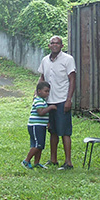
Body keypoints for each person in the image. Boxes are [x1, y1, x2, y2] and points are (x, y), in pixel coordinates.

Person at [38, 35, 76, 170]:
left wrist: (69, 99)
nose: (54, 45)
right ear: (49, 46)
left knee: (65, 131)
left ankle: (68, 162)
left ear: (61, 46)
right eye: (52, 43)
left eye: (57, 43)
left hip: (62, 101)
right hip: (49, 101)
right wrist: (37, 96)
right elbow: (42, 78)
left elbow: (72, 79)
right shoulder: (45, 60)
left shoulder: (68, 59)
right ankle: (53, 159)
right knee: (52, 131)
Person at [22, 81, 56, 170]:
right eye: (46, 91)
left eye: (48, 91)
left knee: (40, 145)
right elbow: (40, 112)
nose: (47, 93)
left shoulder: (43, 101)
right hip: (35, 126)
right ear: (39, 91)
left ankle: (36, 162)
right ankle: (26, 161)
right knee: (38, 145)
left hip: (41, 126)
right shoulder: (38, 100)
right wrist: (50, 107)